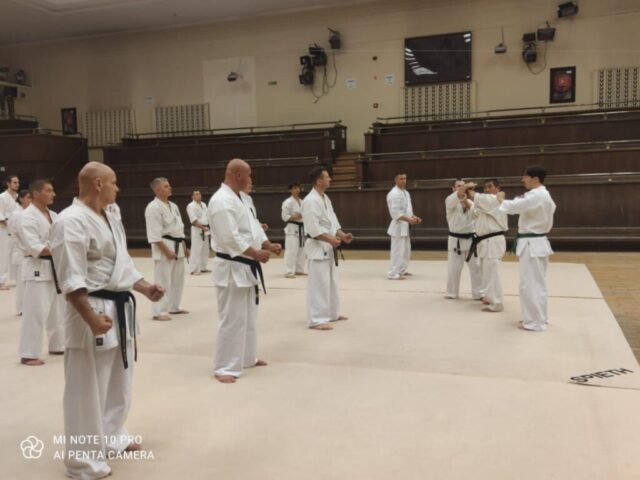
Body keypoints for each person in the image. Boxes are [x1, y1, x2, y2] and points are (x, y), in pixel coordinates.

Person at [51, 161, 165, 479]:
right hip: (91, 308)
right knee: (86, 388)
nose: (118, 188)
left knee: (118, 380)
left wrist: (145, 288)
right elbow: (70, 277)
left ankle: (113, 436)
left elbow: (122, 264)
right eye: (114, 182)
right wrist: (90, 317)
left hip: (117, 307)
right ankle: (82, 462)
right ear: (98, 184)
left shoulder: (110, 216)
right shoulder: (70, 221)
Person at [207, 158, 277, 383]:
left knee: (248, 316)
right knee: (231, 318)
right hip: (232, 265)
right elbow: (230, 237)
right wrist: (256, 254)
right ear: (238, 175)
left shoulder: (243, 198)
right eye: (249, 174)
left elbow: (253, 226)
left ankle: (247, 357)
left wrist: (267, 245)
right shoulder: (221, 201)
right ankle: (224, 367)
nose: (251, 178)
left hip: (246, 265)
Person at [498, 165, 557, 331]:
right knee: (537, 283)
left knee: (530, 284)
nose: (522, 179)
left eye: (525, 176)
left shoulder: (536, 195)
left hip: (532, 244)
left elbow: (513, 207)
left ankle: (534, 322)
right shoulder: (543, 194)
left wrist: (500, 199)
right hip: (537, 243)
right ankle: (539, 318)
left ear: (535, 178)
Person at [15, 180, 65, 366]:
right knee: (35, 312)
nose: (54, 194)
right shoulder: (26, 217)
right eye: (49, 190)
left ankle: (58, 344)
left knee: (57, 311)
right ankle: (29, 353)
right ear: (36, 194)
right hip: (37, 268)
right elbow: (35, 246)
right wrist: (61, 247)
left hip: (55, 267)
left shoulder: (54, 215)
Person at [302, 167, 353, 330]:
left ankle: (332, 313)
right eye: (327, 177)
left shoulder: (325, 198)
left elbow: (332, 222)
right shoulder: (310, 201)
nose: (330, 179)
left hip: (328, 246)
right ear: (319, 181)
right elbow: (313, 228)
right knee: (319, 284)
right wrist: (330, 239)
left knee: (331, 282)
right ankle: (316, 319)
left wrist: (342, 235)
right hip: (317, 248)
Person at [144, 177, 189, 321]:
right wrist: (166, 251)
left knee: (178, 279)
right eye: (166, 186)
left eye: (169, 185)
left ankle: (174, 306)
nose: (170, 188)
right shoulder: (153, 208)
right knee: (162, 279)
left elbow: (179, 228)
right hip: (164, 245)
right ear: (157, 190)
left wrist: (184, 246)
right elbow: (154, 235)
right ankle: (158, 311)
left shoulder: (173, 205)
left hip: (178, 244)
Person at [466, 179, 508, 312]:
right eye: (485, 188)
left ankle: (497, 303)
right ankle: (490, 297)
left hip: (493, 240)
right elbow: (472, 207)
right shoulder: (485, 204)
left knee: (493, 272)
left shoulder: (494, 200)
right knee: (486, 272)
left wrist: (468, 187)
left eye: (490, 186)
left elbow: (473, 195)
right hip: (485, 241)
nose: (487, 190)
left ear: (498, 188)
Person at [445, 179, 483, 300]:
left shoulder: (470, 202)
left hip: (471, 239)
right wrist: (465, 187)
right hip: (456, 239)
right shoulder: (450, 200)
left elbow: (477, 214)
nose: (462, 188)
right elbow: (457, 195)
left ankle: (478, 293)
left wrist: (466, 201)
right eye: (459, 186)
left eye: (463, 186)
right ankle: (452, 292)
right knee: (454, 268)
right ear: (453, 189)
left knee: (476, 267)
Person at [386, 173, 421, 280]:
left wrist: (414, 217)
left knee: (406, 250)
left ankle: (401, 270)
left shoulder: (406, 193)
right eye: (401, 178)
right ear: (396, 180)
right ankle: (393, 273)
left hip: (406, 225)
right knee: (397, 251)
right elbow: (395, 213)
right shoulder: (393, 194)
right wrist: (409, 220)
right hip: (398, 226)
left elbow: (407, 210)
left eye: (405, 178)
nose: (404, 180)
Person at [8, 190, 31, 314]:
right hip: (20, 250)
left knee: (29, 281)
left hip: (30, 250)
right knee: (21, 282)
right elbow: (13, 233)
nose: (30, 200)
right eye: (28, 197)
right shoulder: (15, 214)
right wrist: (23, 248)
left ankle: (29, 306)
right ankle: (21, 308)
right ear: (21, 199)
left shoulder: (31, 213)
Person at [281, 183, 306, 278]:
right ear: (290, 190)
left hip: (302, 228)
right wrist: (294, 216)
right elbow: (284, 216)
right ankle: (289, 271)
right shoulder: (287, 202)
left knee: (302, 250)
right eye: (294, 188)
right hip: (292, 228)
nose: (297, 190)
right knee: (291, 250)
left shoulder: (302, 201)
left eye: (298, 188)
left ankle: (299, 270)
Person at [0, 174, 20, 290]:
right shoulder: (2, 197)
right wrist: (6, 222)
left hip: (16, 230)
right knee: (3, 255)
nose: (17, 184)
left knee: (16, 254)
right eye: (14, 182)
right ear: (8, 183)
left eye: (18, 182)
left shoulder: (18, 197)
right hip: (4, 229)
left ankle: (14, 279)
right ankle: (1, 281)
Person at [186, 190, 211, 276]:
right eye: (196, 194)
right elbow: (193, 220)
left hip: (205, 228)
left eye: (199, 194)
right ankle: (193, 269)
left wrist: (208, 227)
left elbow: (207, 216)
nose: (198, 195)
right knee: (196, 249)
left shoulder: (203, 204)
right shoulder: (191, 206)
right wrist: (202, 227)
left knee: (205, 249)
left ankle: (203, 267)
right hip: (197, 229)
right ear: (192, 197)